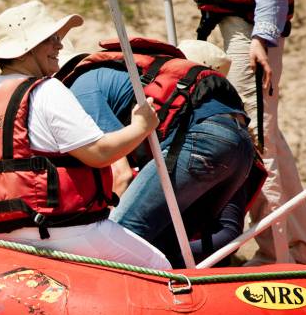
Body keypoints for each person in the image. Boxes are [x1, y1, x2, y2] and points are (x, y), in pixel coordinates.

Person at [0, 0, 172, 270]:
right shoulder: (47, 90)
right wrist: (140, 126)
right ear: (27, 49)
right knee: (160, 266)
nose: (59, 45)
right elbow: (99, 154)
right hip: (61, 230)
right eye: (51, 39)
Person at [151, 0, 306, 265]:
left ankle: (277, 257)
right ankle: (302, 252)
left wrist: (262, 37)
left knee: (255, 140)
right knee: (268, 139)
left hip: (251, 35)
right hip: (240, 30)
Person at [59, 37, 258, 267]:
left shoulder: (79, 88)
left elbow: (120, 174)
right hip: (242, 146)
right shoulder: (112, 74)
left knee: (118, 243)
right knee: (162, 245)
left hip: (201, 140)